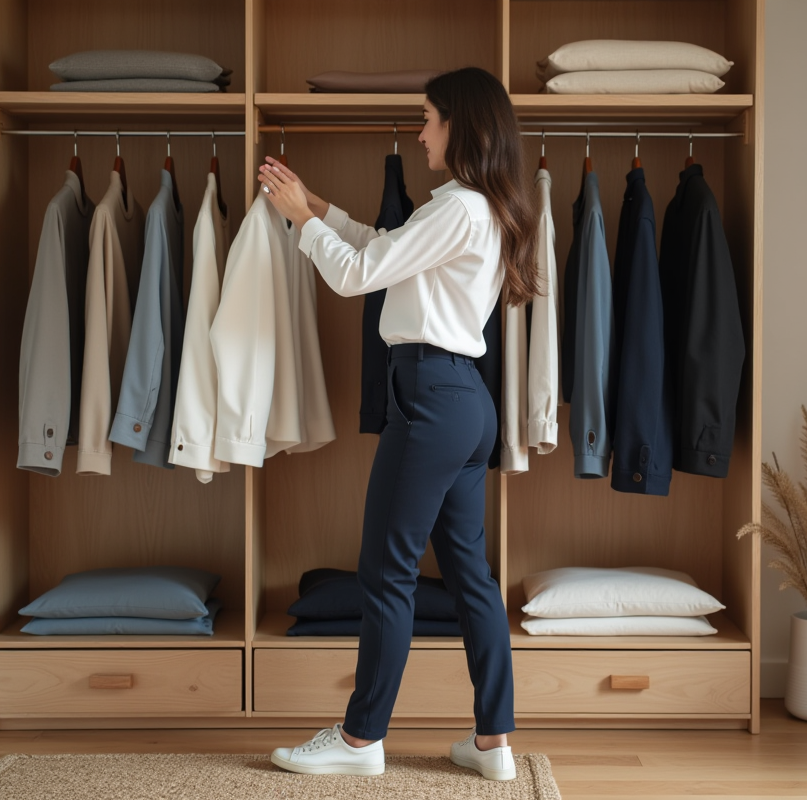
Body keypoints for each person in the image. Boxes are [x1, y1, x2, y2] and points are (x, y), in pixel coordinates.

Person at [257, 66, 539, 780]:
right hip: (464, 401)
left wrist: (301, 222)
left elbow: (355, 275)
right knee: (471, 576)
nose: (420, 134)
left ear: (459, 126)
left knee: (387, 571)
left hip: (430, 398)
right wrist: (312, 206)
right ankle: (494, 743)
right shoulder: (472, 207)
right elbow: (379, 248)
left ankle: (360, 741)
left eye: (428, 119)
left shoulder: (457, 208)